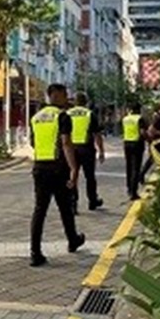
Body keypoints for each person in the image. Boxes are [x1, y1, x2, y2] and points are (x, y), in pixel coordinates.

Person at [30, 83, 85, 267]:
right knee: (65, 207)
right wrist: (73, 169)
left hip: (39, 167)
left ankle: (35, 252)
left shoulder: (36, 118)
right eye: (64, 95)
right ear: (57, 95)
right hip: (58, 168)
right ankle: (72, 240)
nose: (66, 98)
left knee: (40, 210)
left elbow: (33, 143)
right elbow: (66, 144)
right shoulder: (62, 117)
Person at [67, 92, 105, 214]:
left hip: (71, 149)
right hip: (86, 149)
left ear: (74, 102)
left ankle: (73, 204)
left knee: (73, 176)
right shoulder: (90, 114)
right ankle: (92, 201)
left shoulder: (67, 114)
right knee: (90, 176)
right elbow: (97, 135)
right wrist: (101, 151)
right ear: (86, 102)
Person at [121, 103, 148, 201]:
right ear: (139, 110)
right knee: (135, 168)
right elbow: (143, 132)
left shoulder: (125, 119)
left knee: (129, 166)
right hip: (137, 144)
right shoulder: (140, 119)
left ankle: (129, 188)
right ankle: (133, 192)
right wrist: (149, 140)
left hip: (127, 143)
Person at [139, 103, 160, 183]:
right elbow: (151, 129)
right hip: (158, 142)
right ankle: (142, 174)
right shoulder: (158, 117)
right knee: (155, 159)